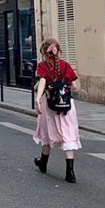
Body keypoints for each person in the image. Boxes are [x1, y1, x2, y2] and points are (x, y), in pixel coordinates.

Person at [33, 37, 81, 183]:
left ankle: (43, 163)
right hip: (67, 106)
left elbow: (42, 81)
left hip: (49, 106)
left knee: (47, 135)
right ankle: (70, 173)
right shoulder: (66, 65)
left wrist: (37, 99)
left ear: (44, 52)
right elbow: (75, 86)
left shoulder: (43, 66)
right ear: (58, 50)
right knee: (69, 135)